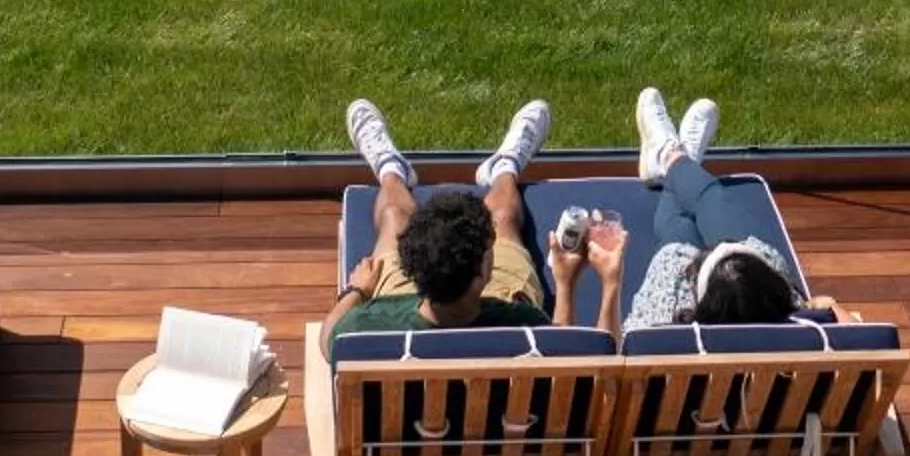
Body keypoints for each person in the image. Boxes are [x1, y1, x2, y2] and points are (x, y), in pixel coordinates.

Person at [329, 98, 591, 336]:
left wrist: (358, 290)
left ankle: (390, 168)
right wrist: (565, 283)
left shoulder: (369, 327)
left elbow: (327, 337)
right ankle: (504, 167)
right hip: (503, 294)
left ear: (412, 271)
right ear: (482, 275)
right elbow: (560, 350)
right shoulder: (522, 322)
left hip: (399, 299)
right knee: (501, 216)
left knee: (393, 215)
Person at [621, 88, 806, 329]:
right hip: (755, 301)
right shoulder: (798, 322)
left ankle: (671, 155)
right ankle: (678, 158)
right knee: (705, 207)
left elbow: (624, 342)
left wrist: (611, 283)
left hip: (678, 295)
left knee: (684, 229)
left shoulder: (663, 318)